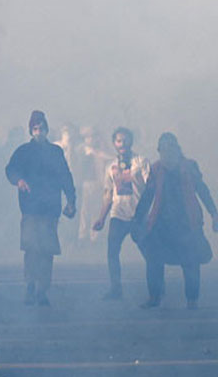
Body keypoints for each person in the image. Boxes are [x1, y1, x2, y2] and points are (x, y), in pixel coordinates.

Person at [131, 133, 217, 309]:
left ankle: (192, 300)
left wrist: (213, 213)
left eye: (171, 147)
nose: (168, 152)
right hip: (160, 225)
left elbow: (202, 190)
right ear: (160, 151)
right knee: (154, 259)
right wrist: (137, 219)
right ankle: (155, 296)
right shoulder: (156, 169)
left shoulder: (190, 167)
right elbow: (148, 196)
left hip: (187, 224)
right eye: (164, 148)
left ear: (177, 149)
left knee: (191, 263)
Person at [5, 110, 77, 306]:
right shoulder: (23, 151)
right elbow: (10, 169)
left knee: (47, 250)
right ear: (31, 130)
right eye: (35, 128)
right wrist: (18, 180)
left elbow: (65, 176)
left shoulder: (56, 152)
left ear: (47, 130)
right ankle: (30, 285)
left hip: (50, 209)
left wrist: (71, 200)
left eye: (42, 128)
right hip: (30, 208)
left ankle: (42, 290)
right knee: (31, 248)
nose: (39, 132)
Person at [92, 127, 151, 300]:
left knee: (148, 252)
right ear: (114, 144)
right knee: (112, 252)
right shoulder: (111, 166)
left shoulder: (141, 161)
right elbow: (108, 194)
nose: (122, 143)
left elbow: (150, 188)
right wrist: (101, 218)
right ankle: (116, 288)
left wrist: (134, 177)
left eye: (125, 140)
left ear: (131, 142)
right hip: (118, 214)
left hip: (138, 214)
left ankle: (156, 288)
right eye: (118, 140)